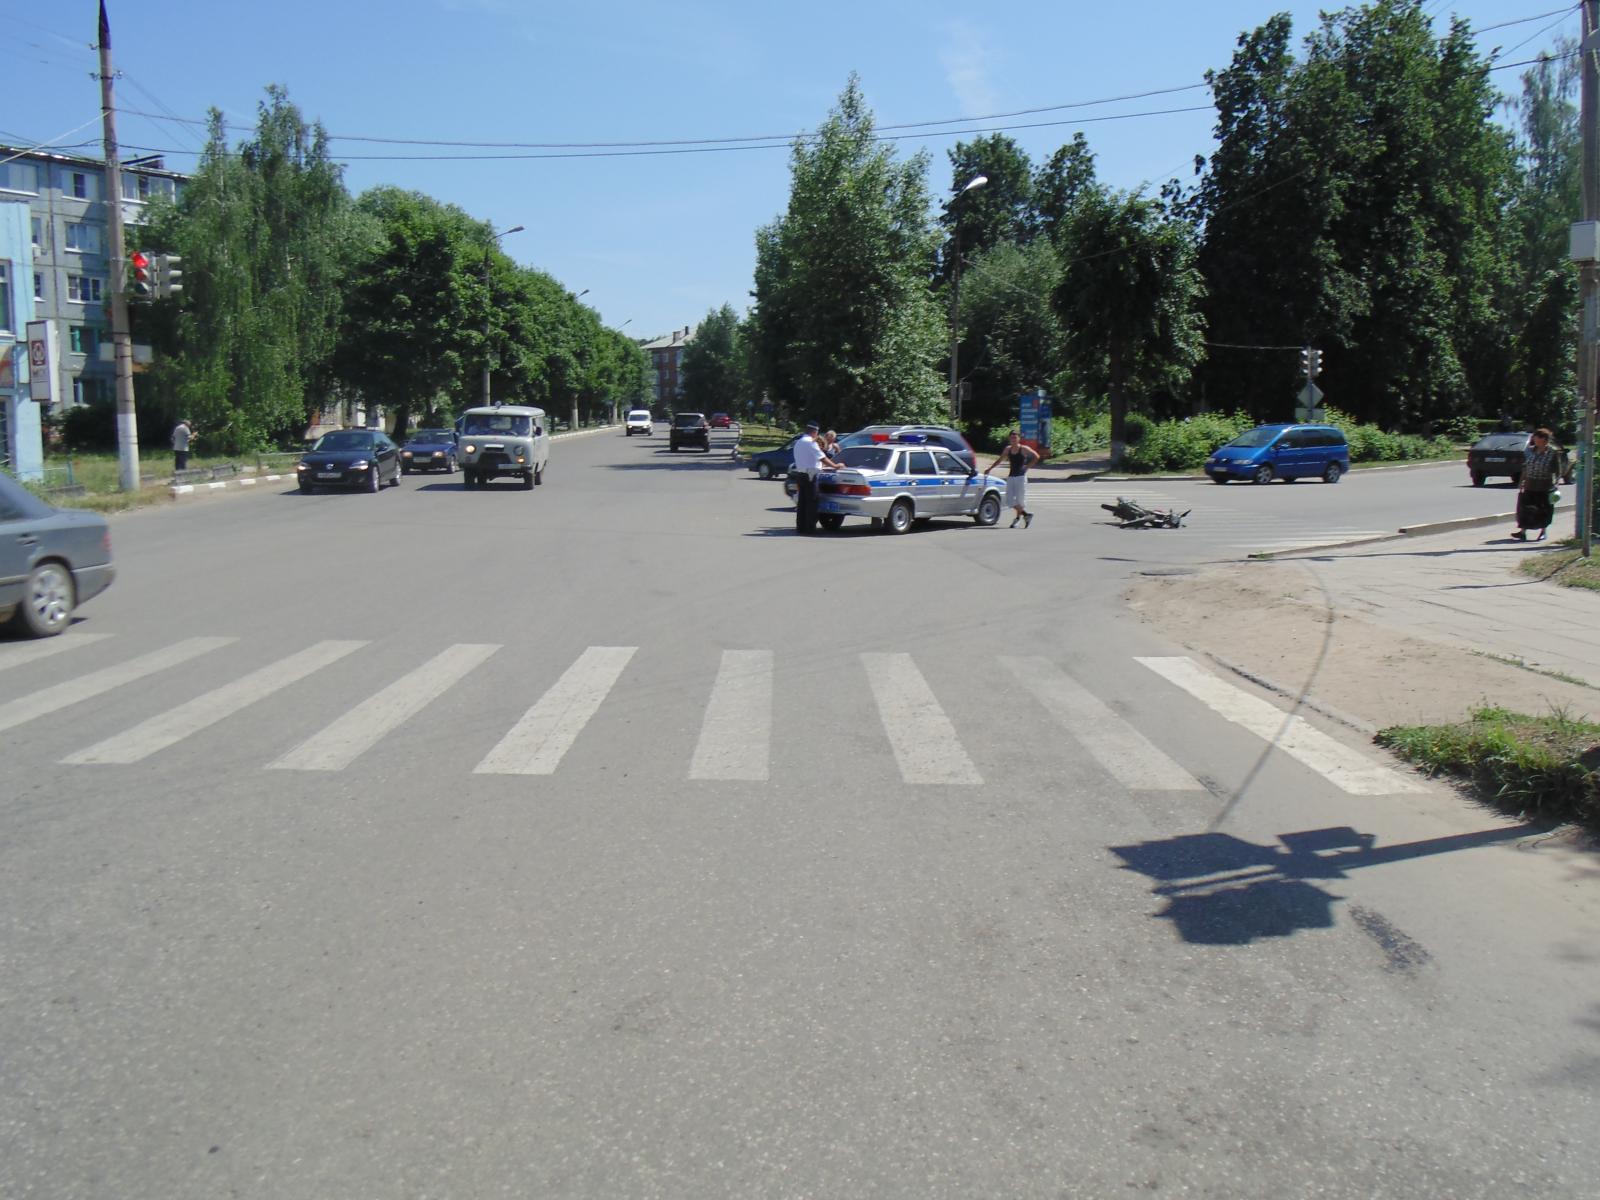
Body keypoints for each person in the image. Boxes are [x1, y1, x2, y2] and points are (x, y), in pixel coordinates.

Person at [790, 421, 841, 535]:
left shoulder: (798, 442)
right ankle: (810, 528)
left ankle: (800, 527)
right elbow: (822, 458)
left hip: (800, 474)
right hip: (811, 475)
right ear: (814, 431)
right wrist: (835, 466)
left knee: (802, 502)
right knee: (812, 502)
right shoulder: (811, 443)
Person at [1512, 427, 1561, 541]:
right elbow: (1525, 467)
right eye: (1534, 437)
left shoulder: (1552, 452)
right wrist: (1521, 482)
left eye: (1536, 437)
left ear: (1543, 439)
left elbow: (1557, 470)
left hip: (1545, 486)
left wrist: (1556, 483)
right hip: (1529, 485)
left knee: (1543, 510)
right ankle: (1523, 532)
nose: (1534, 439)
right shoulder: (1529, 451)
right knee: (1524, 509)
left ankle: (1543, 532)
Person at [987, 430, 1040, 528]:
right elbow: (1000, 459)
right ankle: (1026, 515)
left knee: (1020, 500)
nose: (1013, 439)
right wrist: (990, 468)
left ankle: (1017, 520)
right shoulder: (1008, 449)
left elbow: (1036, 456)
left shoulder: (1024, 449)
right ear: (1009, 439)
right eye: (1012, 437)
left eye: (1015, 437)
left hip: (1021, 477)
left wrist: (1027, 467)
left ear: (1019, 439)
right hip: (1011, 477)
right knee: (1009, 500)